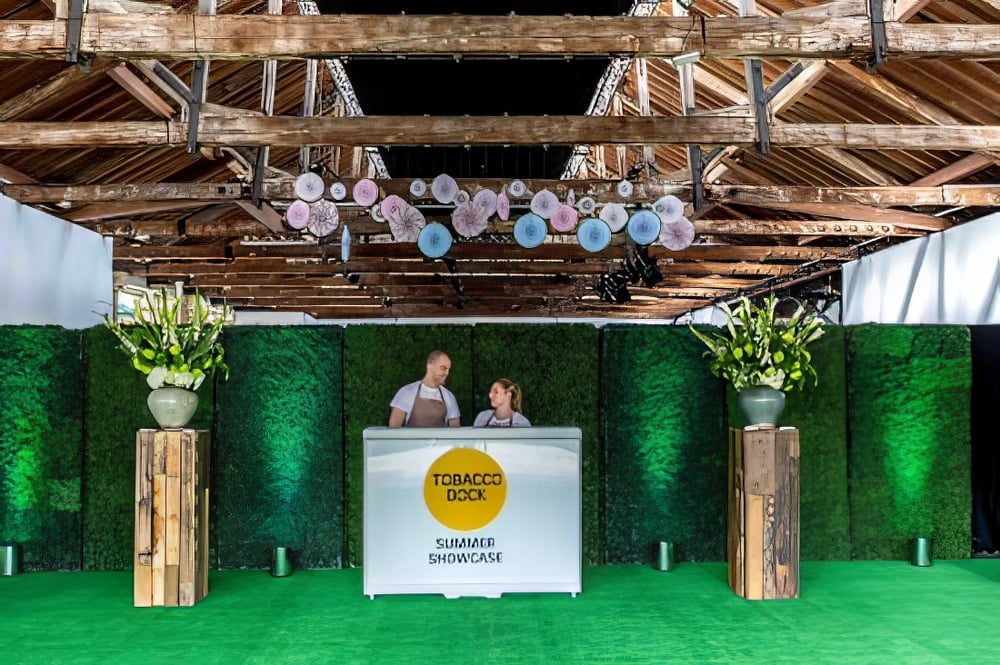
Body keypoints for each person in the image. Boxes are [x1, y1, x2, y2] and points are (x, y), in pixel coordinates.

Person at [388, 349, 461, 427]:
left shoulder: (449, 396)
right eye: (443, 368)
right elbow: (394, 427)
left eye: (448, 369)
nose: (446, 373)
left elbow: (455, 428)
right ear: (430, 365)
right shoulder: (407, 392)